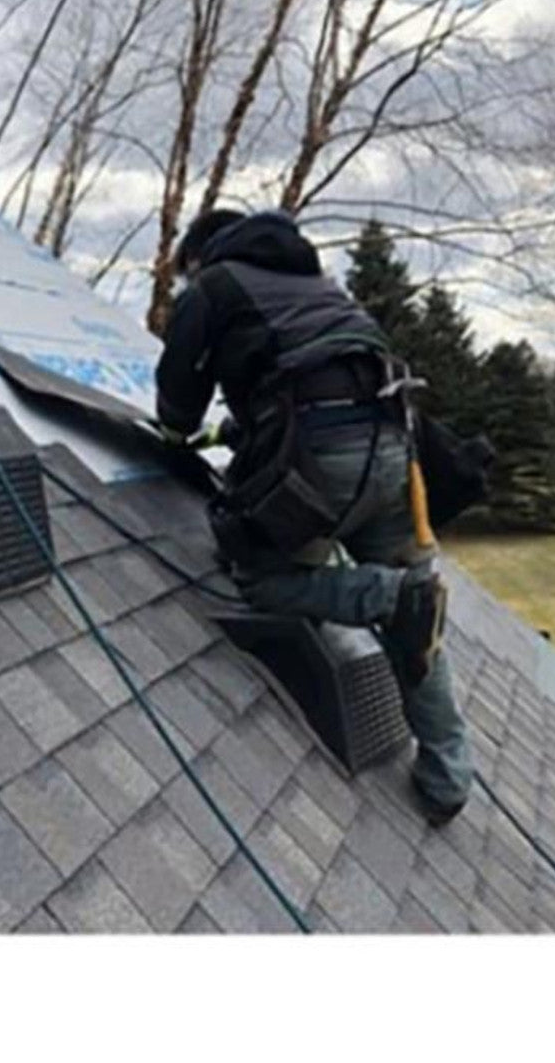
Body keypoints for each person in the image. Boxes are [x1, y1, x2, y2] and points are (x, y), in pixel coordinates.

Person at [156, 209, 472, 825]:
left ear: (200, 254)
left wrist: (174, 434)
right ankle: (448, 775)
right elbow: (317, 380)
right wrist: (234, 430)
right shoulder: (319, 289)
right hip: (396, 452)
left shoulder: (213, 285)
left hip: (323, 467)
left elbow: (177, 399)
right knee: (421, 629)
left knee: (263, 581)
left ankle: (386, 597)